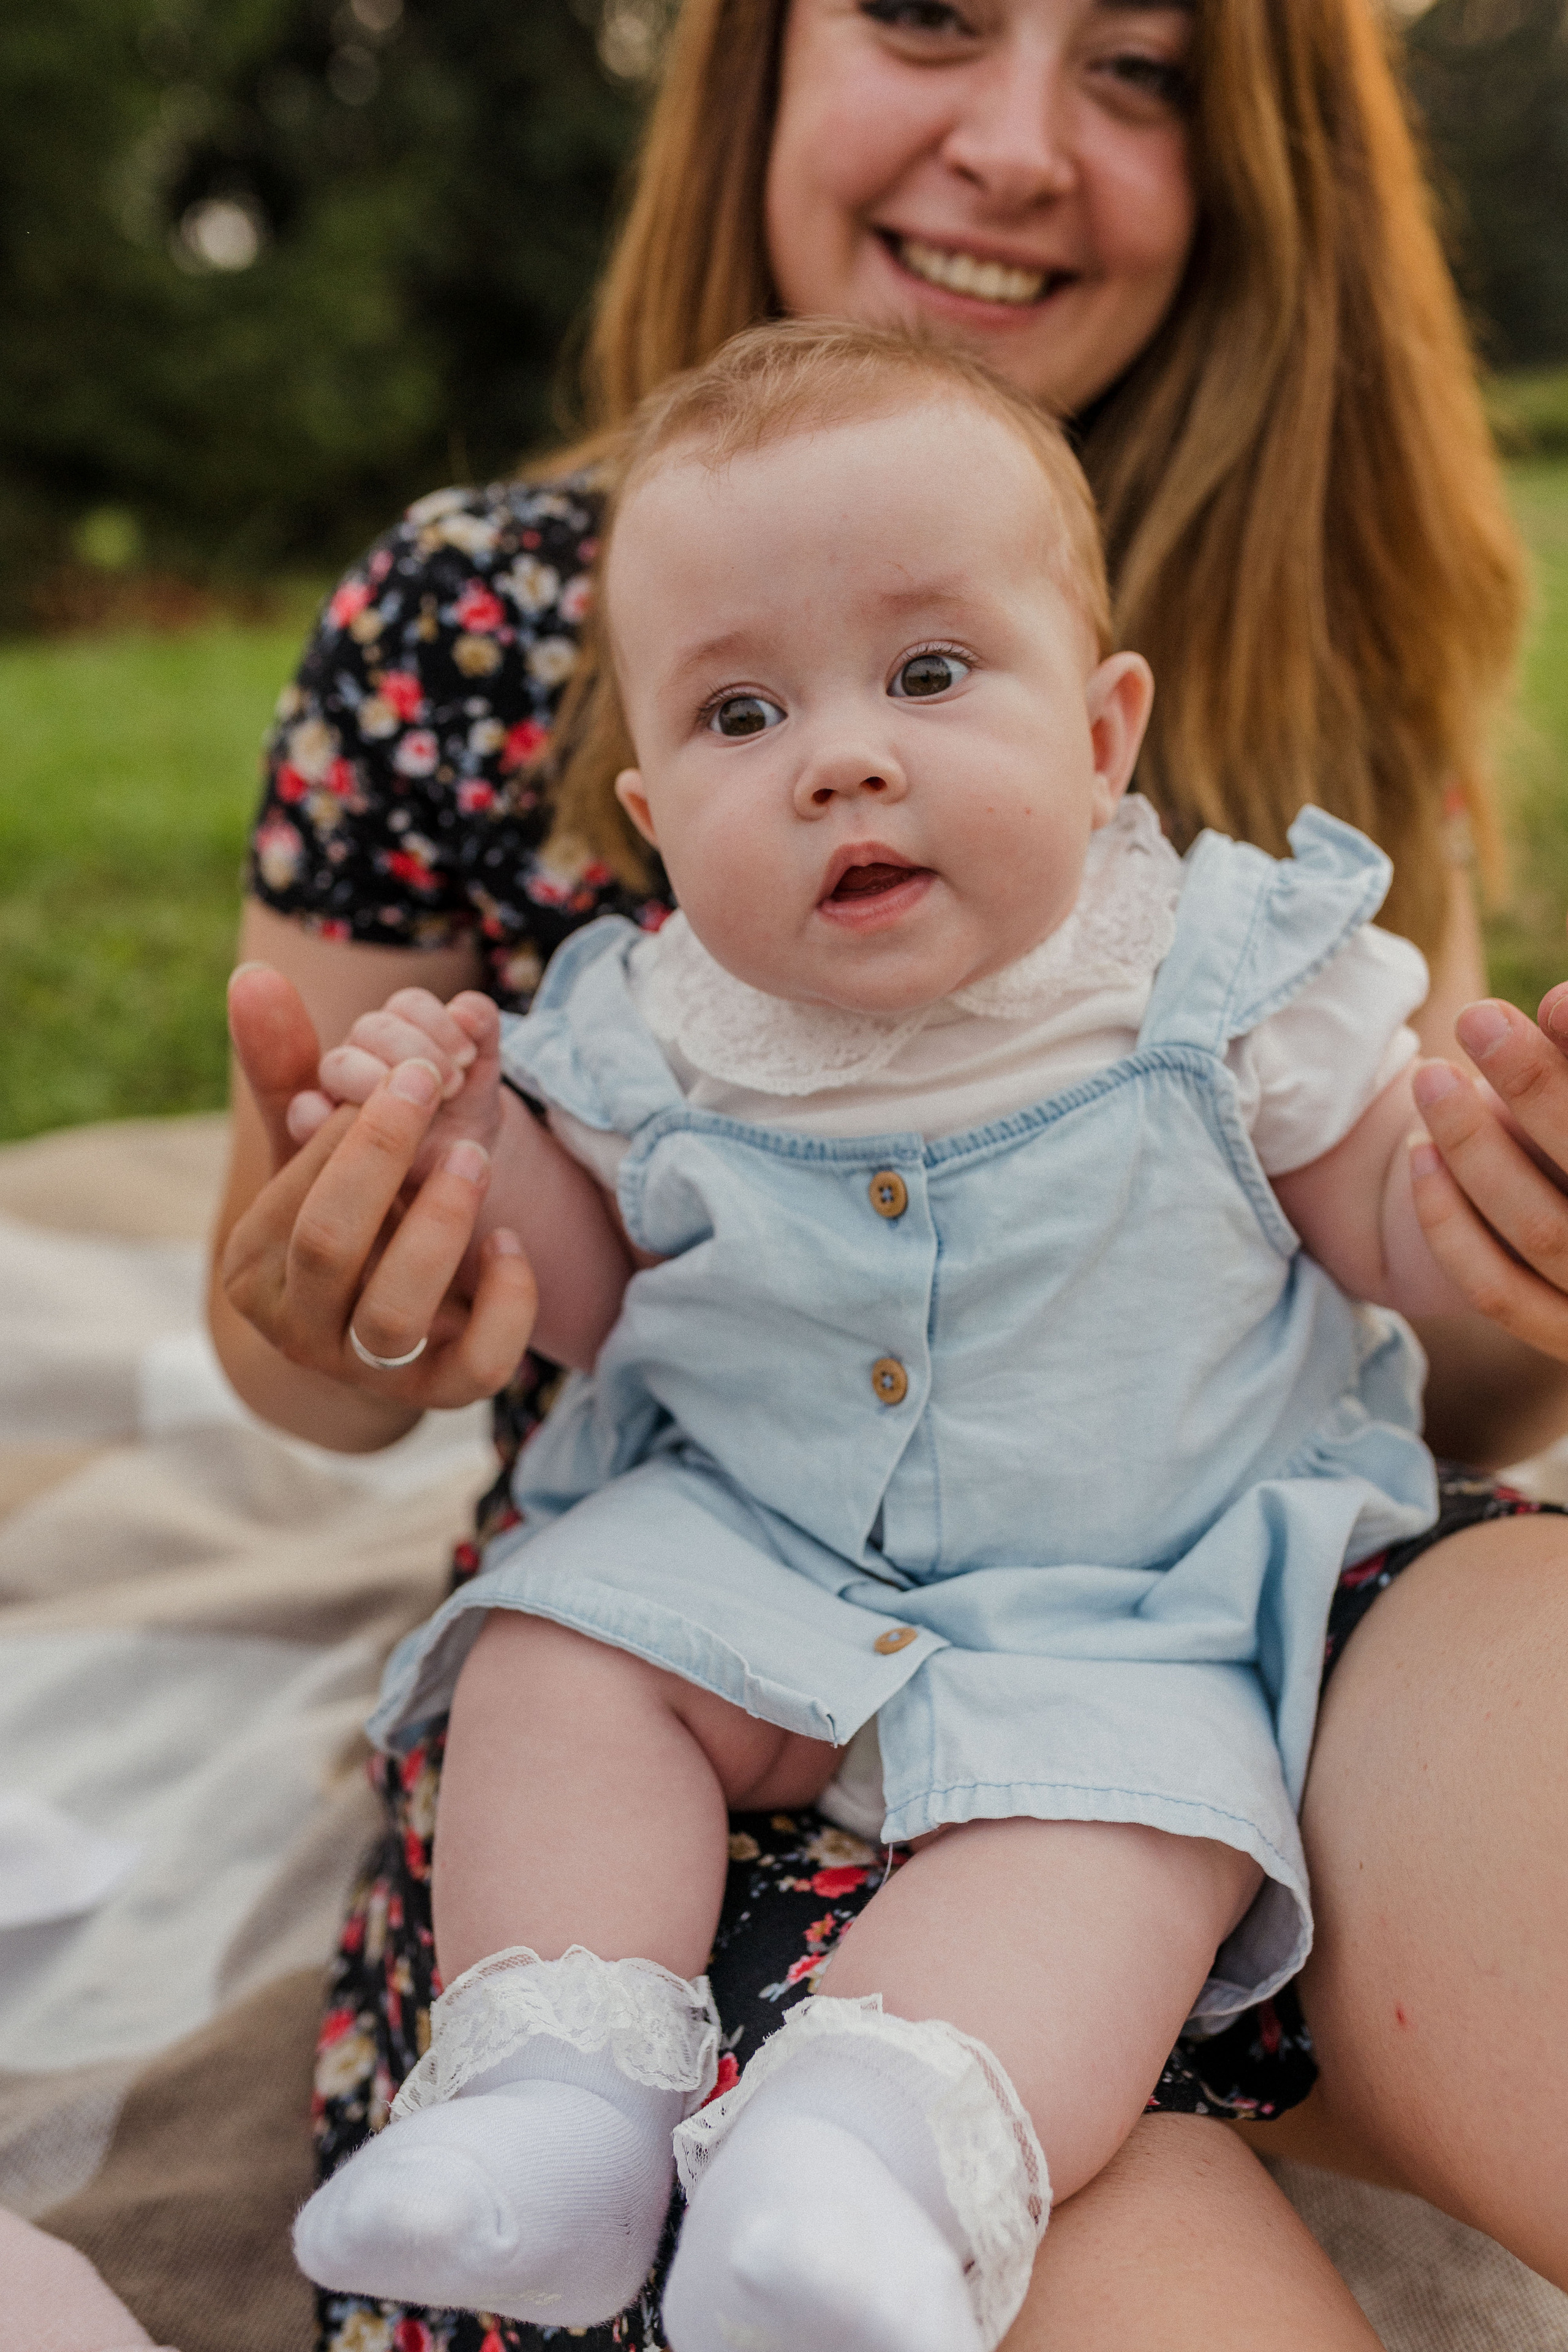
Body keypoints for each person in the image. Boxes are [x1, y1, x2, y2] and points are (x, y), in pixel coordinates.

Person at [214, 5, 1568, 2347]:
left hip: (1180, 1608)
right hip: (728, 1611)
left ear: (1111, 727)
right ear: (650, 813)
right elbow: (547, 1283)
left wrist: (1500, 1224)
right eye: (746, 717)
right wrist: (404, 1210)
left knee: (1178, 1810)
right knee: (575, 1684)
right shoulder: (602, 909)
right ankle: (579, 2099)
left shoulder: (1229, 908)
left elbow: (1393, 1253)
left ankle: (886, 2120)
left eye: (1139, 64)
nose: (842, 761)